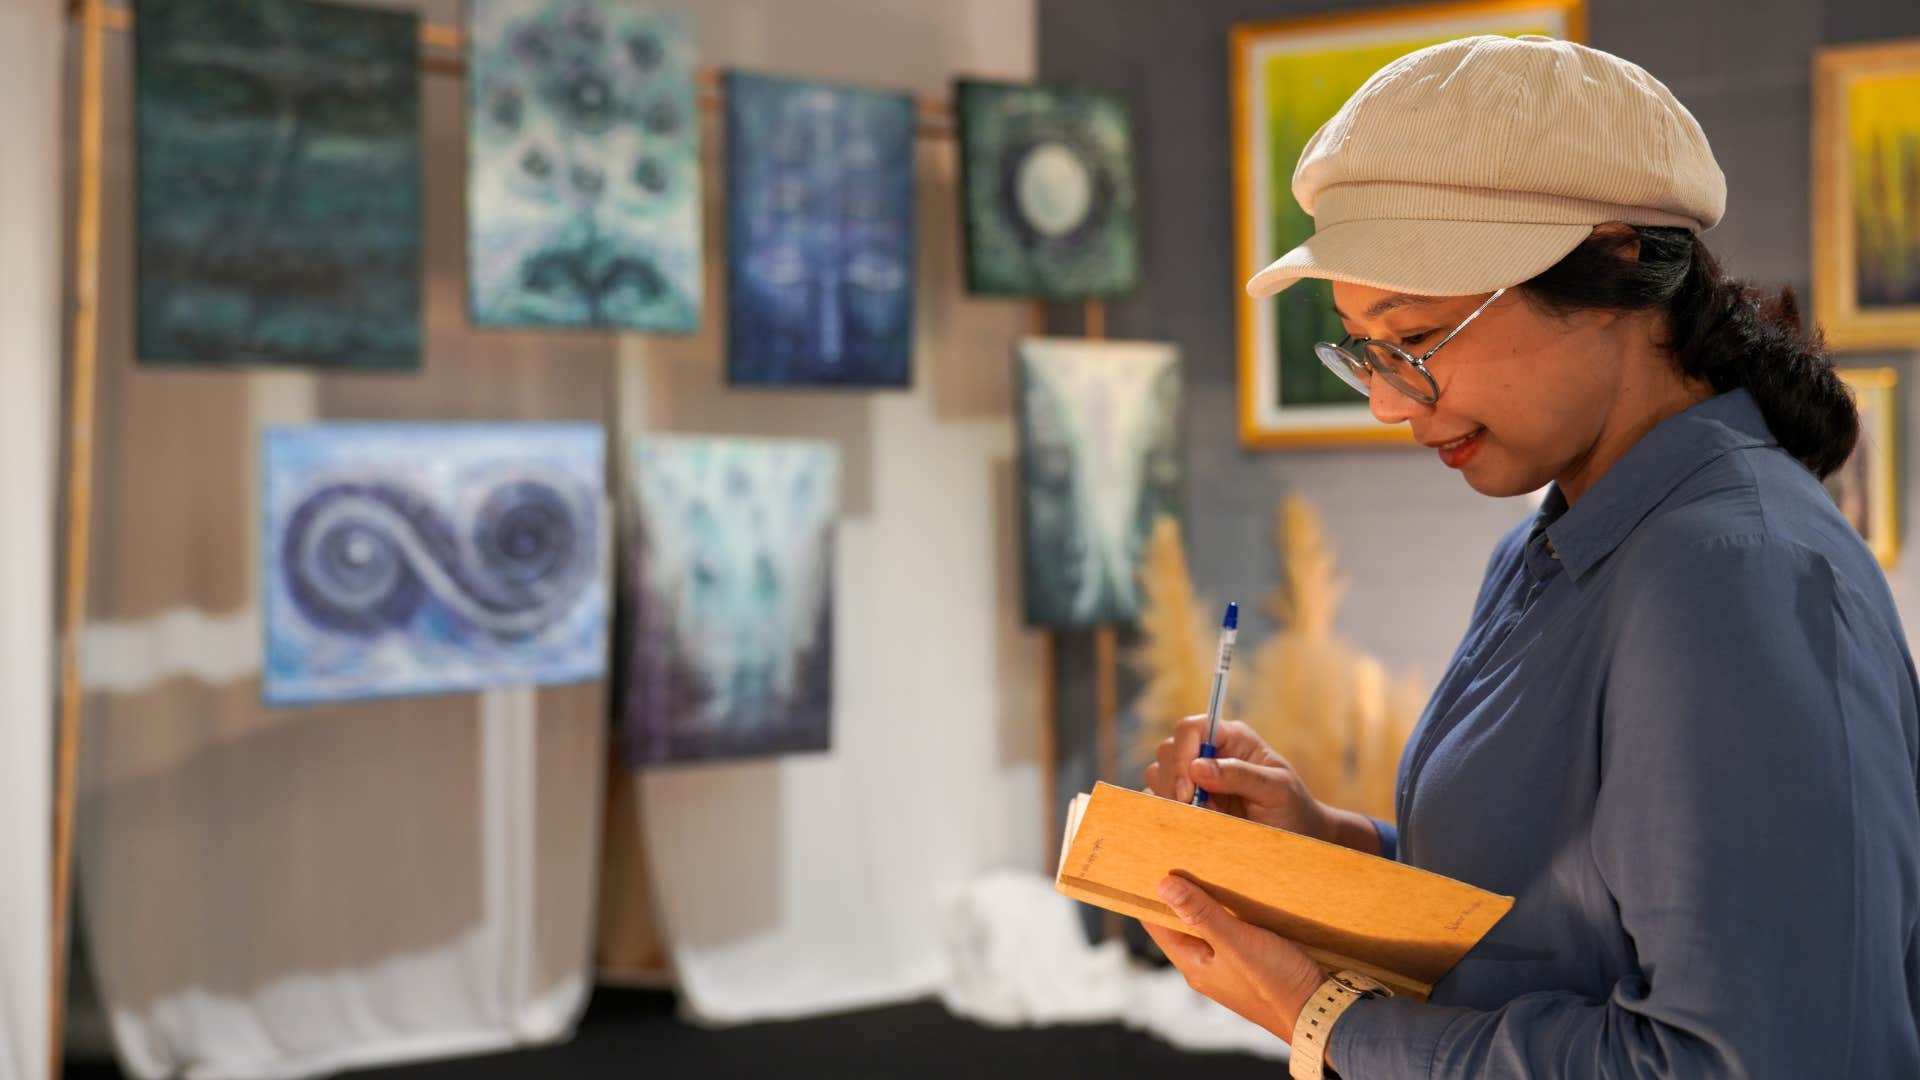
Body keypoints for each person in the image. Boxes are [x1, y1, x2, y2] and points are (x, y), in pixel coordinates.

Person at [1142, 34, 1920, 1078]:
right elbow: (1574, 915)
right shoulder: (1549, 549)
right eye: (1364, 349)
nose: (1384, 399)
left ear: (1614, 259)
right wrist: (1328, 841)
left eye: (1414, 337)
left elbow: (1747, 1060)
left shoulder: (1734, 574)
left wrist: (1324, 1020)